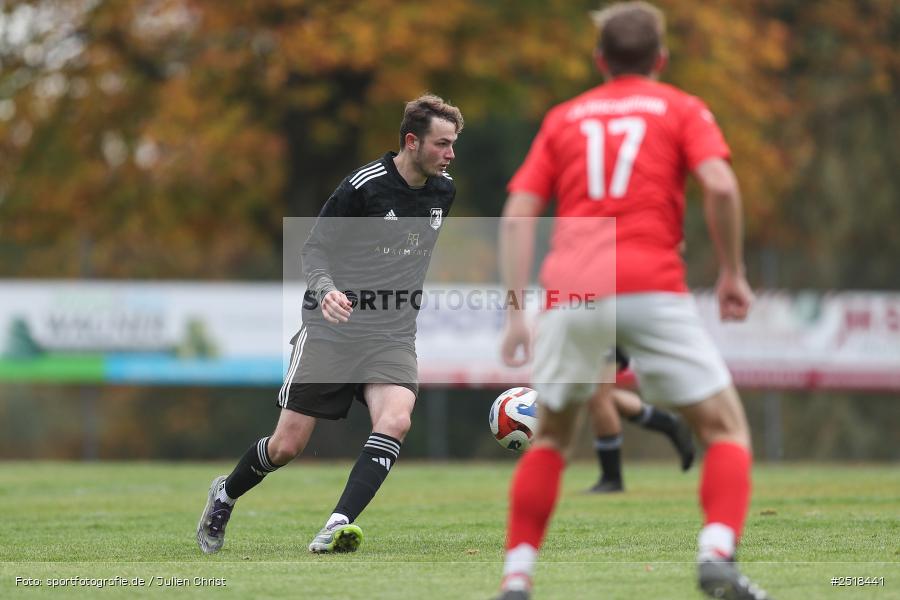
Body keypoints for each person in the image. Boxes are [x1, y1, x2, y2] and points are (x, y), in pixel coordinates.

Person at [496, 3, 771, 599]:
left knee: (549, 439)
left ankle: (517, 579)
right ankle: (717, 552)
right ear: (661, 58)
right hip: (651, 282)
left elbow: (519, 212)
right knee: (725, 430)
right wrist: (732, 272)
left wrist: (517, 309)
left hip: (573, 286)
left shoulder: (564, 117)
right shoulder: (682, 107)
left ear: (599, 60)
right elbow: (721, 184)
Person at [196, 93, 463, 555]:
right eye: (442, 144)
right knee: (286, 447)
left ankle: (336, 524)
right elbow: (314, 249)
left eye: (453, 144)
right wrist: (327, 291)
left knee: (396, 420)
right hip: (332, 329)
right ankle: (225, 493)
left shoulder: (444, 191)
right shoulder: (363, 187)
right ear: (411, 141)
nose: (451, 154)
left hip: (392, 333)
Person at [587, 347, 694, 493]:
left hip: (605, 334)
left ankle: (611, 478)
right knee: (597, 396)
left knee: (598, 397)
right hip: (583, 336)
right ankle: (668, 423)